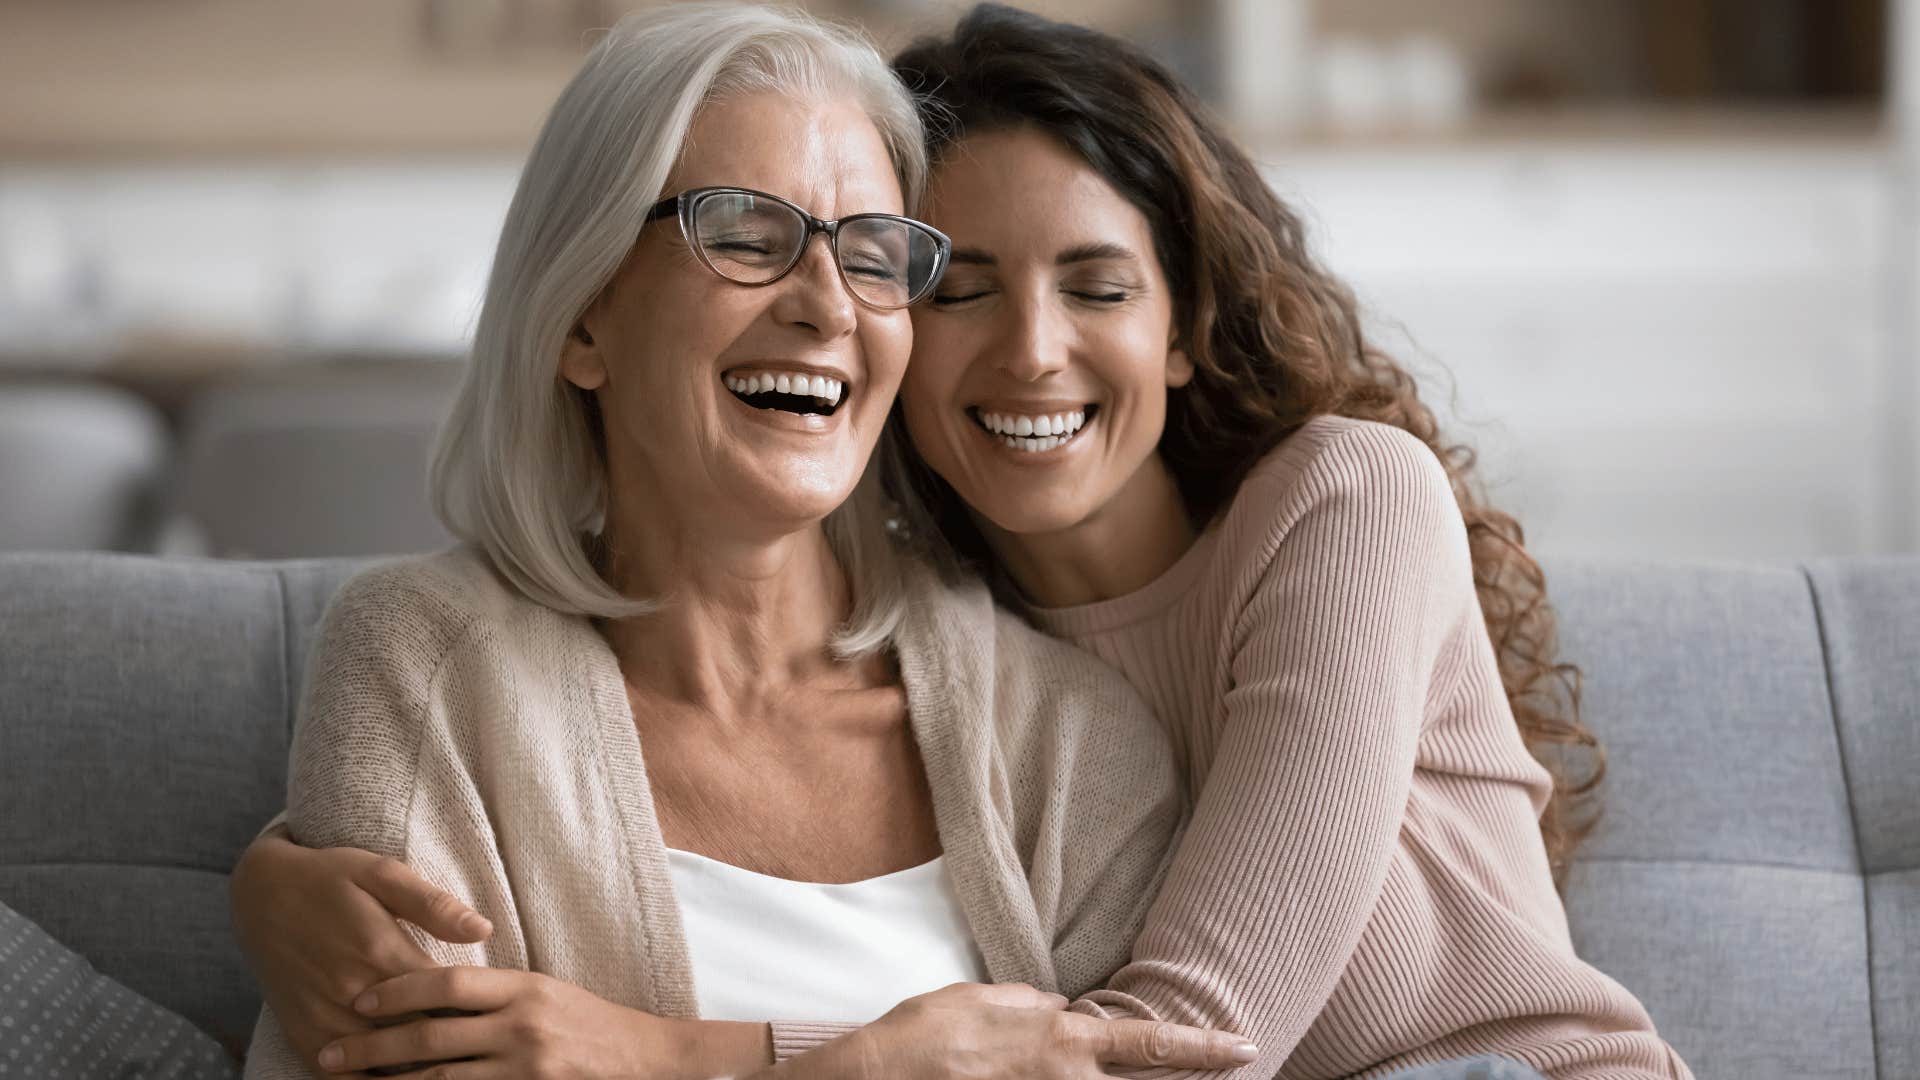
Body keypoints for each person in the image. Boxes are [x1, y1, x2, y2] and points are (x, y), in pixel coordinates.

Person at [237, 5, 1694, 1079]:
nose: (1032, 354)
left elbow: (1191, 1049)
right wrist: (265, 876)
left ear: (1186, 326)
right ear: (579, 317)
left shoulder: (1319, 522)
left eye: (869, 250)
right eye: (960, 284)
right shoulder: (1009, 639)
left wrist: (702, 1057)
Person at [233, 4, 1256, 1078]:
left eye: (874, 256)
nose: (827, 306)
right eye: (742, 236)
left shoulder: (1065, 736)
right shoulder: (425, 668)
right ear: (583, 316)